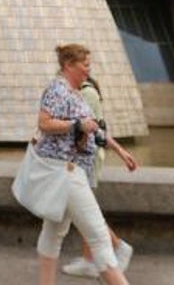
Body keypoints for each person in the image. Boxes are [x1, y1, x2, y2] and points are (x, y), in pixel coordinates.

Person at [32, 44, 129, 285]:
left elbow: (94, 127)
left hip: (69, 171)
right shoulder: (58, 89)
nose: (89, 70)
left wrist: (120, 150)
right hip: (67, 172)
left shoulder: (74, 92)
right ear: (68, 66)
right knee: (99, 238)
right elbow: (44, 123)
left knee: (53, 233)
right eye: (84, 65)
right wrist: (75, 125)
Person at [60, 71, 139, 278]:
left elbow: (97, 131)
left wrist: (120, 151)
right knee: (83, 209)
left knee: (85, 210)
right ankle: (88, 261)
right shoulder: (77, 92)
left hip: (85, 161)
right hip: (79, 160)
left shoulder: (87, 94)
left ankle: (119, 247)